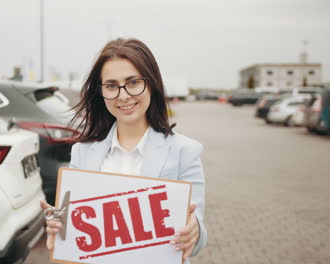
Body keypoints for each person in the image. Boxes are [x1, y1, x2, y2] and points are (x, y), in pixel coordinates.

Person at [40, 38, 207, 263]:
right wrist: (59, 230)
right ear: (101, 92)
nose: (123, 95)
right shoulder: (82, 152)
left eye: (133, 82)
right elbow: (75, 235)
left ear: (152, 83)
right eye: (111, 85)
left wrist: (193, 231)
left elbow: (197, 235)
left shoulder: (185, 151)